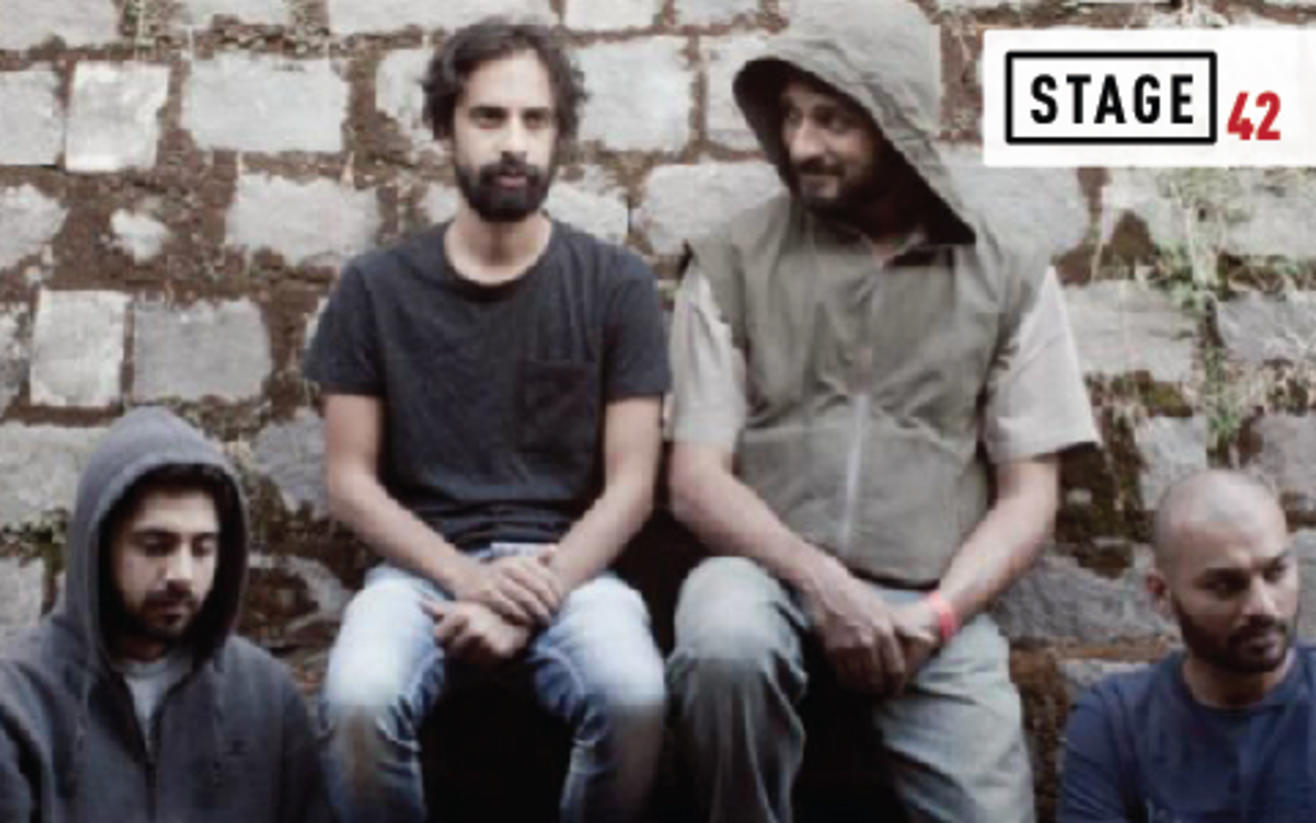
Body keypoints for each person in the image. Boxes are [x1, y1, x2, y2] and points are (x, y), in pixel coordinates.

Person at [663, 0, 1100, 819]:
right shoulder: (731, 262)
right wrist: (820, 581)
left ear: (897, 124)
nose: (801, 145)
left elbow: (1029, 495)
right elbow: (695, 479)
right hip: (765, 579)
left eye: (833, 120)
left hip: (931, 601)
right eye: (791, 116)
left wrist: (940, 614)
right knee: (723, 639)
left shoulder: (1007, 273)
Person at [305, 17, 670, 823]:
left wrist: (531, 594)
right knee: (359, 700)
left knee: (635, 695)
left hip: (569, 569)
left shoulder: (616, 285)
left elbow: (633, 485)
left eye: (536, 120)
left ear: (560, 135)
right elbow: (349, 481)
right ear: (445, 128)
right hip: (420, 573)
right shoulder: (375, 288)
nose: (514, 143)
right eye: (489, 117)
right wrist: (470, 581)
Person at [0, 407, 331, 822]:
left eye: (202, 548)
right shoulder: (19, 704)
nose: (181, 574)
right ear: (101, 547)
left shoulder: (266, 698)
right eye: (155, 546)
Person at [1060, 470, 1311, 822]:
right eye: (1225, 586)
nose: (1263, 607)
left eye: (1275, 573)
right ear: (1161, 594)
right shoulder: (1116, 725)